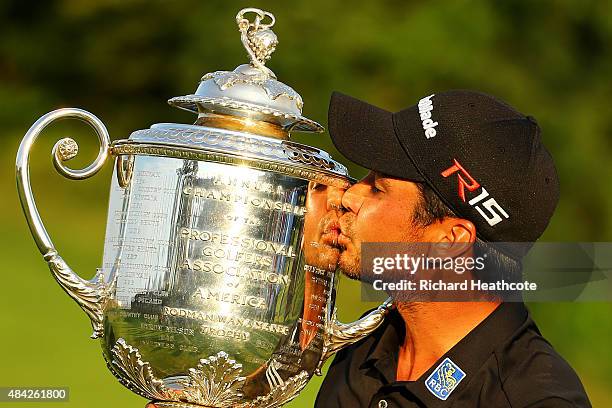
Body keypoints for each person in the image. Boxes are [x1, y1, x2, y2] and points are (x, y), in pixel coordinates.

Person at [314, 90, 591, 407]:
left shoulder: (533, 400)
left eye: (378, 188)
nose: (349, 197)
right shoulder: (365, 347)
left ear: (451, 241)